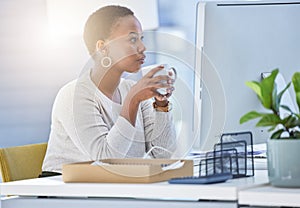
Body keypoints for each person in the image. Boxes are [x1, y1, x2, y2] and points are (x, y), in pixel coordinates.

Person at [41, 5, 176, 176]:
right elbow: (106, 160)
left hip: (115, 188)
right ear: (102, 47)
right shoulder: (73, 95)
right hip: (68, 193)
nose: (143, 47)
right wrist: (132, 101)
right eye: (133, 40)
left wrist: (161, 104)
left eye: (141, 38)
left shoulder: (130, 89)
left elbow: (162, 155)